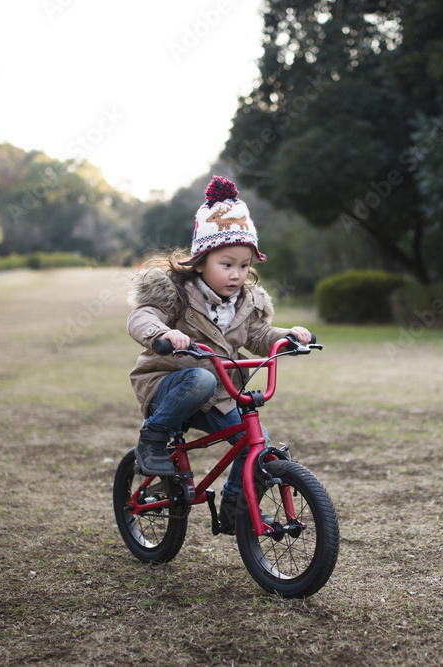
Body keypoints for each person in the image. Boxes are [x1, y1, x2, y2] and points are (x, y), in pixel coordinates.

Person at [126, 175, 311, 534]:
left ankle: (235, 510)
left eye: (244, 266)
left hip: (219, 396)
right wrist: (164, 333)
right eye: (227, 264)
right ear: (201, 261)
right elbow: (142, 317)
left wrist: (287, 336)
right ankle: (152, 441)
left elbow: (258, 335)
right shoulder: (175, 292)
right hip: (169, 383)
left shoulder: (247, 302)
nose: (237, 275)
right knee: (200, 376)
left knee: (257, 446)